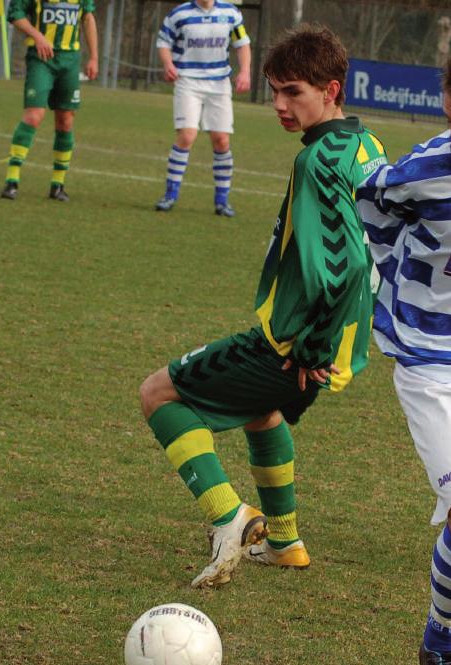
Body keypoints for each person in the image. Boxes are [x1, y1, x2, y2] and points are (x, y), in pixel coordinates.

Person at [140, 24, 387, 589]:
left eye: (293, 91)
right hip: (338, 342)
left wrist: (312, 346)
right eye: (274, 91)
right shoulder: (364, 144)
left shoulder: (320, 161)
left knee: (158, 393)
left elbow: (345, 263)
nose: (279, 104)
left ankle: (230, 515)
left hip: (298, 343)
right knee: (262, 412)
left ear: (331, 88)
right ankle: (285, 541)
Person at [356, 58, 451, 665]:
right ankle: (440, 645)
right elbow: (368, 202)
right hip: (429, 358)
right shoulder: (425, 169)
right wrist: (385, 280)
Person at [154, 0, 252, 217]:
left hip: (219, 84)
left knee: (221, 140)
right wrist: (168, 64)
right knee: (187, 136)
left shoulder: (230, 13)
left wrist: (245, 71)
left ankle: (222, 201)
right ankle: (170, 195)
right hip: (188, 81)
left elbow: (242, 43)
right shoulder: (179, 14)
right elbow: (163, 42)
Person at [0, 0, 98, 201]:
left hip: (69, 60)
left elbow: (87, 18)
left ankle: (57, 185)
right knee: (34, 116)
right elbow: (15, 14)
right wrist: (37, 35)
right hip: (41, 58)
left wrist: (94, 57)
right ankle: (12, 181)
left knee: (66, 121)